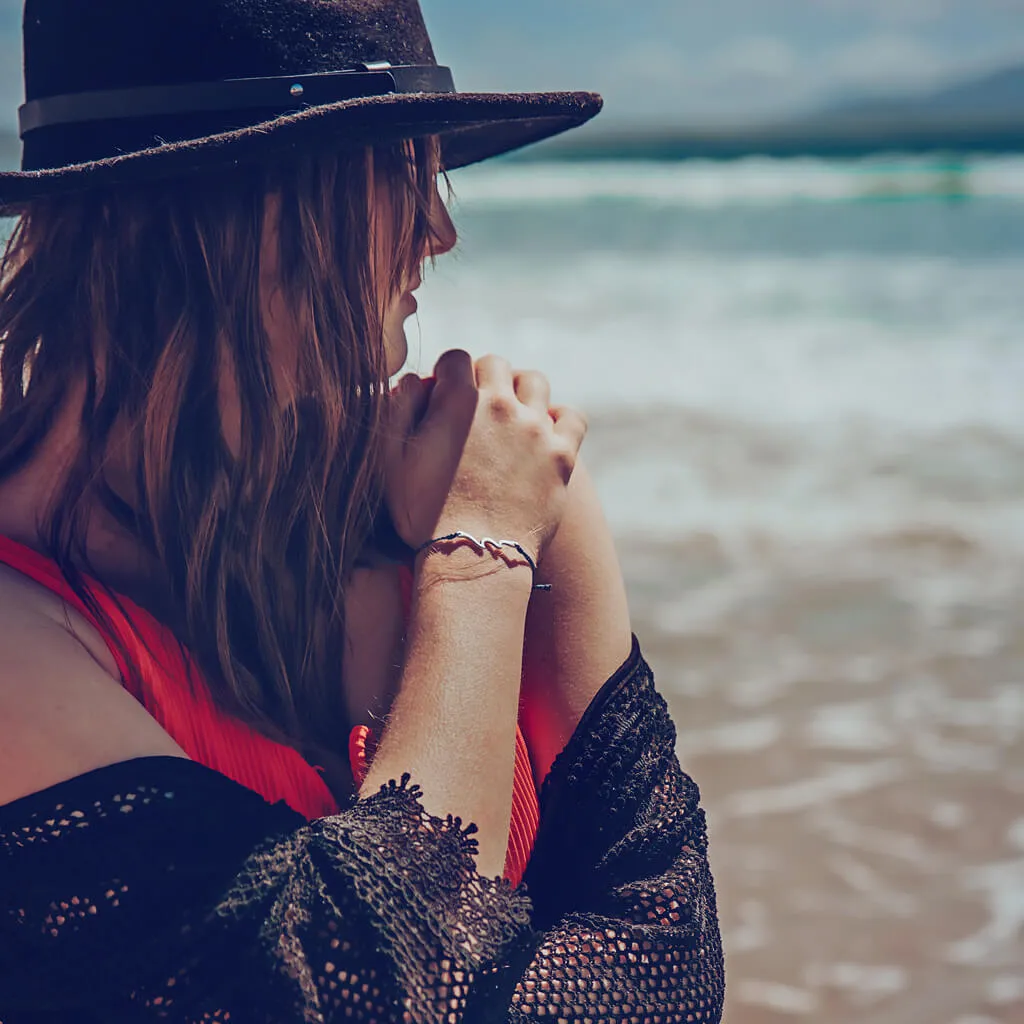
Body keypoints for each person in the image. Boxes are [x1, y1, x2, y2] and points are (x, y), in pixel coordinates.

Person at [0, 1, 725, 1021]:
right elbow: (371, 998)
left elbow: (669, 960)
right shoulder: (17, 619)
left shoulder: (493, 469)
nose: (440, 229)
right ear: (240, 205)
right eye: (396, 173)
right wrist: (474, 568)